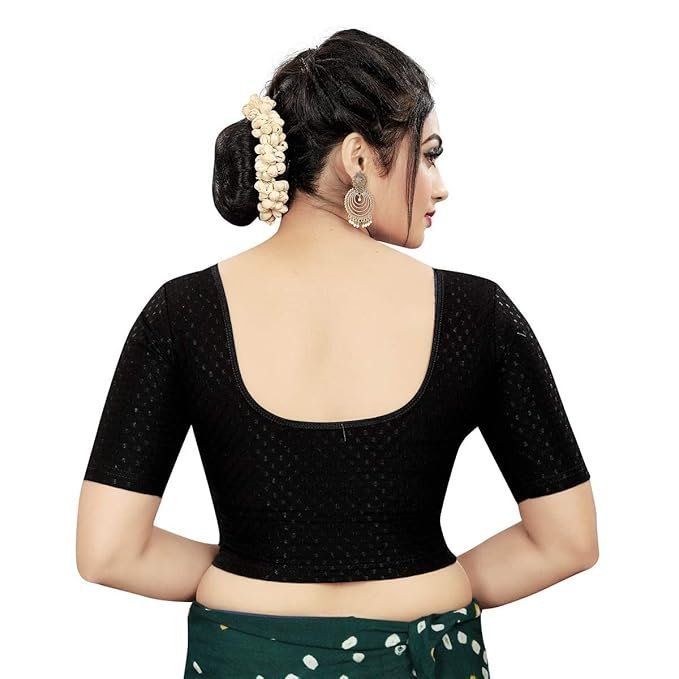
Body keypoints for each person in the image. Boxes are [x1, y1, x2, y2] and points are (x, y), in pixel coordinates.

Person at [76, 28, 598, 679]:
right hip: (423, 659)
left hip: (244, 656)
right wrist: (423, 592)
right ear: (357, 158)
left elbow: (109, 552)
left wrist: (252, 574)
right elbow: (565, 540)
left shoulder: (181, 313)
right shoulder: (477, 315)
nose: (439, 186)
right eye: (427, 155)